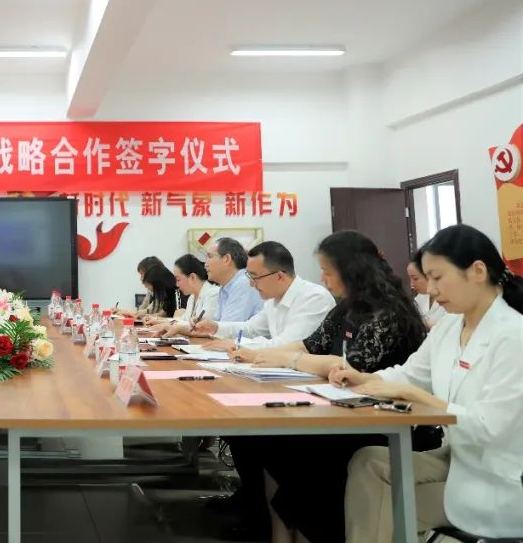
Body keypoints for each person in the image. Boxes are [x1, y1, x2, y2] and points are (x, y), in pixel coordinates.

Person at [233, 230, 427, 543]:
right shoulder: (346, 307)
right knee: (265, 444)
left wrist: (292, 360)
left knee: (298, 453)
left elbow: (348, 368)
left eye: (327, 271)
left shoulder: (388, 313)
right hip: (346, 409)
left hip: (382, 421)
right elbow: (311, 345)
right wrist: (262, 356)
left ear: (352, 271)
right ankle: (281, 534)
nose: (323, 279)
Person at [337, 224, 523, 542]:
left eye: (437, 277)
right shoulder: (450, 326)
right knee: (368, 462)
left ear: (478, 271)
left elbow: (489, 427)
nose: (431, 290)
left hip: (500, 475)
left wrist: (413, 395)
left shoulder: (513, 335)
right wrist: (366, 378)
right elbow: (411, 374)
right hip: (459, 456)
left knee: (381, 504)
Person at [193, 241, 335, 352]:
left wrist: (237, 344)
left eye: (255, 277)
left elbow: (287, 346)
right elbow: (251, 329)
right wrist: (216, 327)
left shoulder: (314, 298)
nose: (251, 284)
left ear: (280, 276)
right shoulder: (273, 300)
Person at [153, 254, 220, 335]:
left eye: (178, 280)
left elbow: (201, 328)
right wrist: (159, 321)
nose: (177, 285)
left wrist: (172, 327)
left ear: (192, 277)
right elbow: (182, 321)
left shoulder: (213, 294)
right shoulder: (192, 297)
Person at [206, 237, 263, 322]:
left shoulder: (244, 283)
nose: (205, 264)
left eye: (209, 256)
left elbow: (227, 327)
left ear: (226, 259)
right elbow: (218, 323)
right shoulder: (224, 288)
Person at [408, 248, 446, 330]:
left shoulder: (452, 298)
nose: (412, 285)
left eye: (415, 278)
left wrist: (426, 324)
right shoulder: (420, 298)